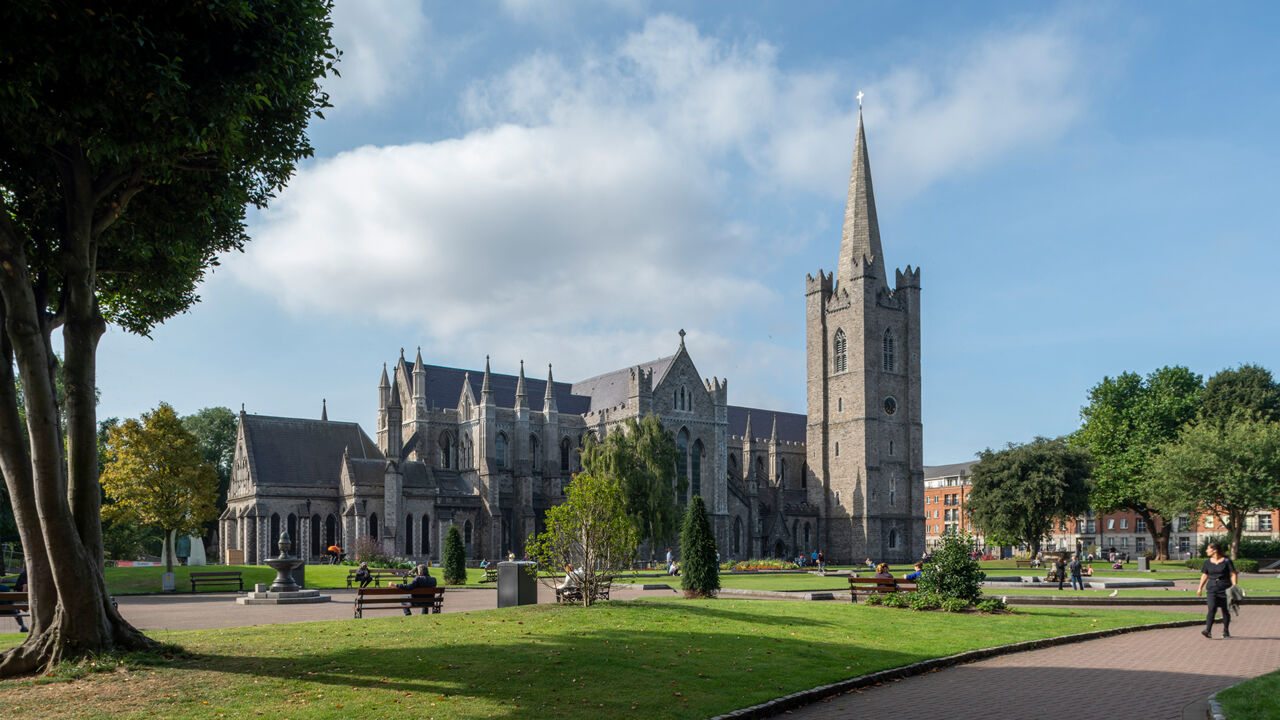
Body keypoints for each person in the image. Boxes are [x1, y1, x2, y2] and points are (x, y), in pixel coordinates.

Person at [1197, 542, 1237, 638]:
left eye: (1208, 549)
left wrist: (1234, 587)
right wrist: (1200, 587)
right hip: (1212, 588)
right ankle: (1208, 630)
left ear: (1215, 550)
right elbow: (1205, 575)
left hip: (1225, 588)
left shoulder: (1227, 561)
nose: (1206, 551)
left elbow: (1232, 574)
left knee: (1225, 610)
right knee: (1211, 607)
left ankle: (1226, 631)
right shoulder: (1207, 562)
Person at [0, 567, 27, 633]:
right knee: (16, 609)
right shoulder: (5, 588)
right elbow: (10, 601)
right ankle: (23, 626)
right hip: (7, 610)